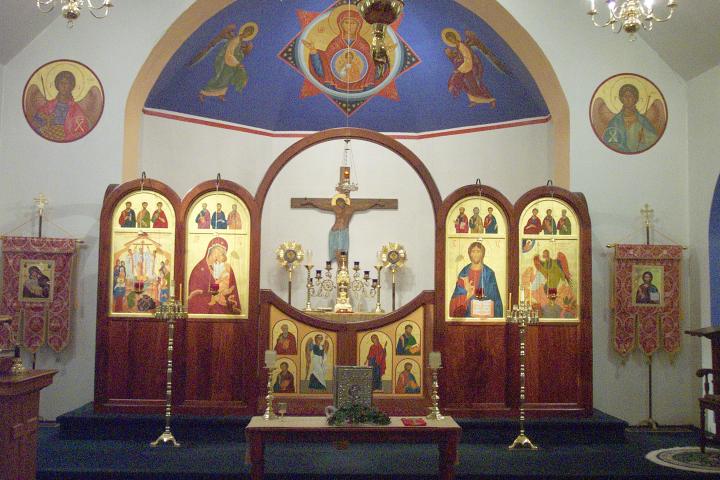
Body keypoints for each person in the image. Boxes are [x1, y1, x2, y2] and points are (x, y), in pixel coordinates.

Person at [302, 8, 386, 93]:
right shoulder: (335, 44)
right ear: (340, 25)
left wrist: (382, 56)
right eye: (346, 23)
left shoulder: (364, 45)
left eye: (353, 23)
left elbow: (372, 72)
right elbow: (324, 70)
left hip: (361, 90)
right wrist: (313, 51)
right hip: (335, 88)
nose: (349, 26)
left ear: (359, 26)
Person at [298, 194, 386, 262]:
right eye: (338, 202)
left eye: (341, 202)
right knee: (336, 251)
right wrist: (311, 202)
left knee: (342, 251)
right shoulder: (335, 208)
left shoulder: (351, 208)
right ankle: (341, 268)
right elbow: (322, 206)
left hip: (343, 231)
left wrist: (375, 203)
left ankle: (343, 267)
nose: (339, 204)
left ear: (345, 201)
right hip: (334, 231)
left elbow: (364, 206)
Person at [197, 23, 258, 102]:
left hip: (232, 64)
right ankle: (203, 93)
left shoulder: (240, 41)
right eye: (247, 32)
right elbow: (229, 53)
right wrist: (237, 63)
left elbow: (238, 52)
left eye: (249, 34)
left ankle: (221, 94)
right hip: (226, 62)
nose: (247, 34)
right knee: (219, 79)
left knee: (227, 80)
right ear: (244, 30)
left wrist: (241, 54)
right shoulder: (235, 40)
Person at [28, 70, 93, 142]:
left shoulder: (75, 109)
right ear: (57, 85)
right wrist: (46, 121)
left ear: (71, 86)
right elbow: (35, 124)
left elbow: (82, 131)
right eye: (61, 83)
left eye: (67, 83)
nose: (63, 86)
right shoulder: (48, 106)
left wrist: (65, 137)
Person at [187, 237, 241, 315]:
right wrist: (212, 297)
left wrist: (228, 299)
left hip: (222, 313)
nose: (218, 255)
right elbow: (194, 298)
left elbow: (232, 292)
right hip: (205, 314)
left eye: (222, 253)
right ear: (210, 250)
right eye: (217, 250)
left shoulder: (226, 268)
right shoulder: (198, 270)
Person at [443, 29, 496, 108]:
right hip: (466, 69)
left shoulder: (461, 45)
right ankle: (474, 100)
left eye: (452, 38)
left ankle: (491, 100)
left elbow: (468, 58)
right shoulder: (457, 47)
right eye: (450, 40)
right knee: (465, 85)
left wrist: (460, 69)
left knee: (477, 84)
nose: (452, 40)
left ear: (454, 37)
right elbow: (460, 58)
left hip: (472, 67)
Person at [449, 241, 503, 317]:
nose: (475, 254)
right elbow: (456, 299)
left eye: (478, 251)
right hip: (467, 315)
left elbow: (495, 298)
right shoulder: (464, 273)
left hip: (485, 316)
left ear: (482, 254)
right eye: (473, 251)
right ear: (470, 254)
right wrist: (467, 295)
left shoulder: (489, 273)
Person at [603, 84, 659, 153]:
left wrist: (644, 138)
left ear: (635, 99)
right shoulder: (615, 121)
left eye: (630, 96)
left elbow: (654, 139)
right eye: (625, 96)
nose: (627, 99)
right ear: (621, 99)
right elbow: (609, 142)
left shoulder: (643, 120)